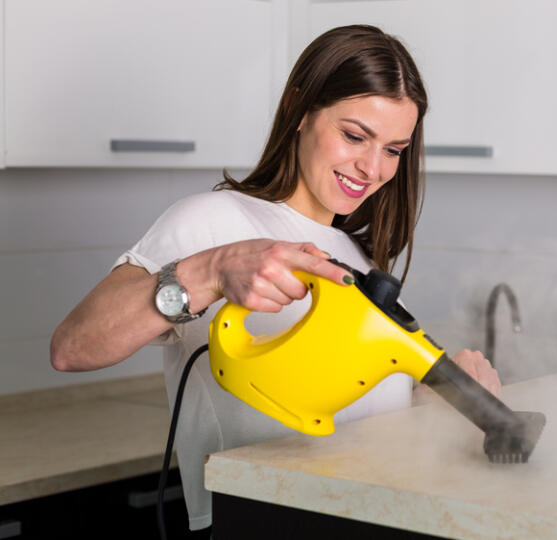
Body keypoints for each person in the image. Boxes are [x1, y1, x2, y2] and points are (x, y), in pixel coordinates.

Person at [49, 25, 502, 533]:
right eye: (355, 136)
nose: (373, 168)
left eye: (394, 150)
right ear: (300, 111)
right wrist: (212, 270)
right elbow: (73, 347)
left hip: (362, 513)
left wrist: (431, 403)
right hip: (254, 521)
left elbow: (355, 409)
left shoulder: (357, 255)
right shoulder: (210, 222)